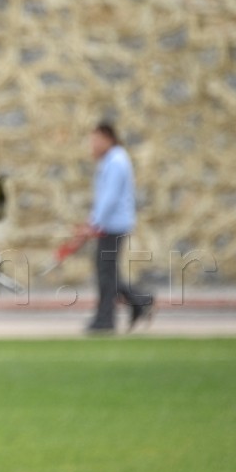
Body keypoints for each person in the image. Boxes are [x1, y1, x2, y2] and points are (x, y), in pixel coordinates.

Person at [82, 122, 150, 333]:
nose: (93, 145)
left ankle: (106, 318)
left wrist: (94, 223)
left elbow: (109, 197)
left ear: (108, 138)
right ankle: (140, 301)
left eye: (96, 140)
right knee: (107, 272)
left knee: (106, 274)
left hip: (113, 226)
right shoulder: (111, 160)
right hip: (111, 224)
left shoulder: (116, 161)